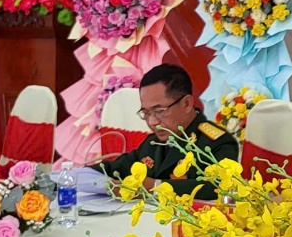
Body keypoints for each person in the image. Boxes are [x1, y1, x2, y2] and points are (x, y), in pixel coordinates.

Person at [98, 63, 236, 199]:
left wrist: (155, 187)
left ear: (187, 104)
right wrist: (87, 176)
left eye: (159, 111)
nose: (152, 122)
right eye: (146, 113)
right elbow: (115, 168)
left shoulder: (217, 142)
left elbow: (219, 187)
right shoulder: (152, 142)